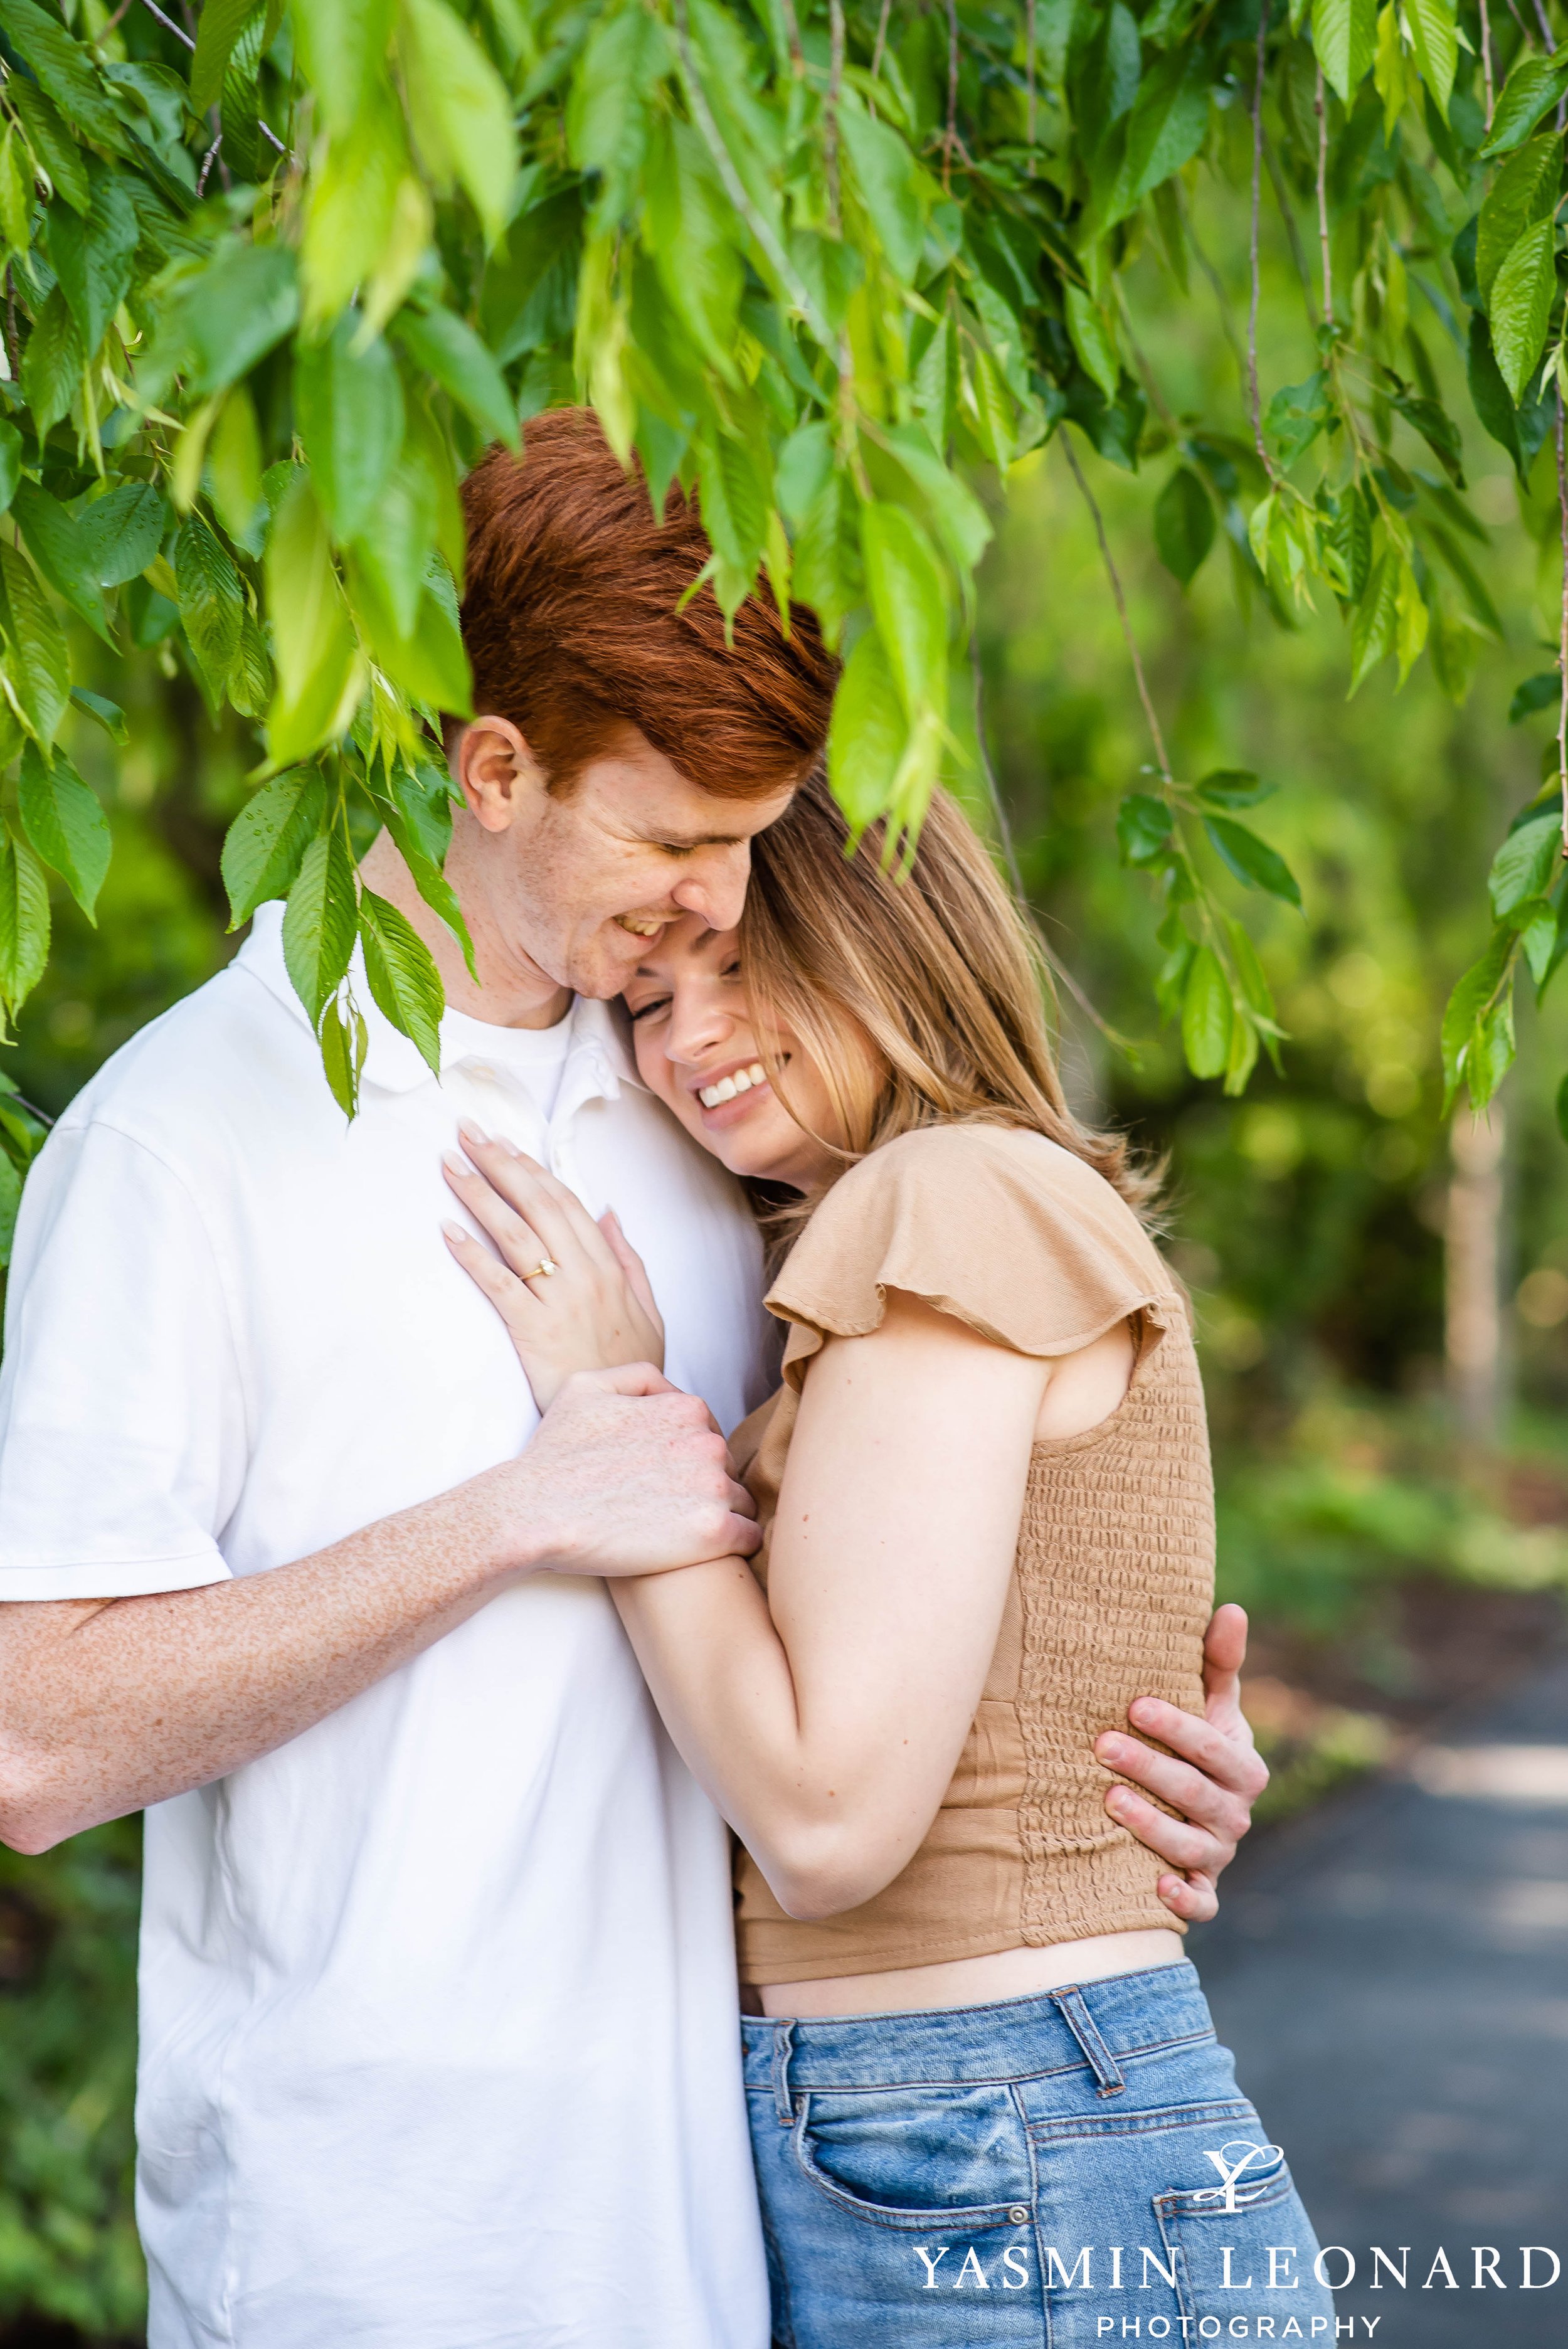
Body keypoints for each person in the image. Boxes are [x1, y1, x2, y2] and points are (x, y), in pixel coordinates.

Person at [0, 415, 1264, 2348]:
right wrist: (514, 1518)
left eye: (749, 851)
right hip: (374, 2247)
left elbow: (897, 1572)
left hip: (760, 2219)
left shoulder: (720, 1133)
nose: (709, 912)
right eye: (674, 844)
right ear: (492, 768)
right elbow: (34, 1742)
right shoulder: (188, 1133)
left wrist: (1114, 1776)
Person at [442, 766, 1330, 2346]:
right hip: (981, 2124)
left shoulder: (941, 1197)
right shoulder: (951, 1216)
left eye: (738, 960)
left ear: (894, 933)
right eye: (646, 994)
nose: (685, 1035)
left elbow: (828, 1820)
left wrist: (611, 1421)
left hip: (991, 2128)